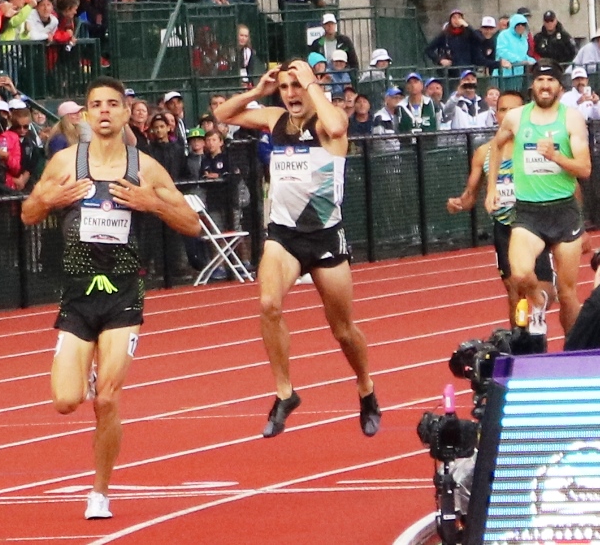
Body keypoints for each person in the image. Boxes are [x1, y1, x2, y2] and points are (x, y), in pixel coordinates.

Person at [20, 76, 200, 520]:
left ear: (125, 114)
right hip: (78, 293)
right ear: (84, 115)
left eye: (112, 105)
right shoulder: (66, 162)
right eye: (96, 104)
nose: (104, 111)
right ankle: (88, 372)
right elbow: (26, 213)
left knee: (107, 401)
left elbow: (192, 224)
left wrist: (150, 203)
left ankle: (99, 492)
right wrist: (53, 199)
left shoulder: (145, 168)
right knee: (66, 400)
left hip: (123, 292)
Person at [214, 58, 381, 438]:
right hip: (284, 235)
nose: (291, 94)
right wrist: (259, 91)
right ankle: (285, 392)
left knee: (342, 330)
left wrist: (312, 84)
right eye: (286, 87)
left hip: (324, 236)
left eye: (296, 87)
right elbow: (224, 114)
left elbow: (339, 125)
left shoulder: (326, 121)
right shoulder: (273, 118)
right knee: (268, 304)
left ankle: (366, 387)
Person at [485, 59, 592, 336]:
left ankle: (575, 350)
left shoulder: (571, 118)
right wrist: (492, 188)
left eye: (551, 81)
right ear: (533, 85)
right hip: (529, 213)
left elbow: (585, 168)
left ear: (559, 86)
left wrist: (556, 156)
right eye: (541, 81)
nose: (545, 86)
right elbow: (495, 147)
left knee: (568, 293)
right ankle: (538, 299)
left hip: (564, 211)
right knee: (519, 274)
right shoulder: (517, 117)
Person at [447, 90, 555, 327]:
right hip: (504, 226)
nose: (507, 114)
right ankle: (519, 343)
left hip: (534, 223)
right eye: (502, 110)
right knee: (514, 291)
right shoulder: (484, 153)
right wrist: (458, 204)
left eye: (513, 110)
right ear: (496, 115)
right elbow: (471, 195)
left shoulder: (535, 147)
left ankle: (537, 316)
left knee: (546, 289)